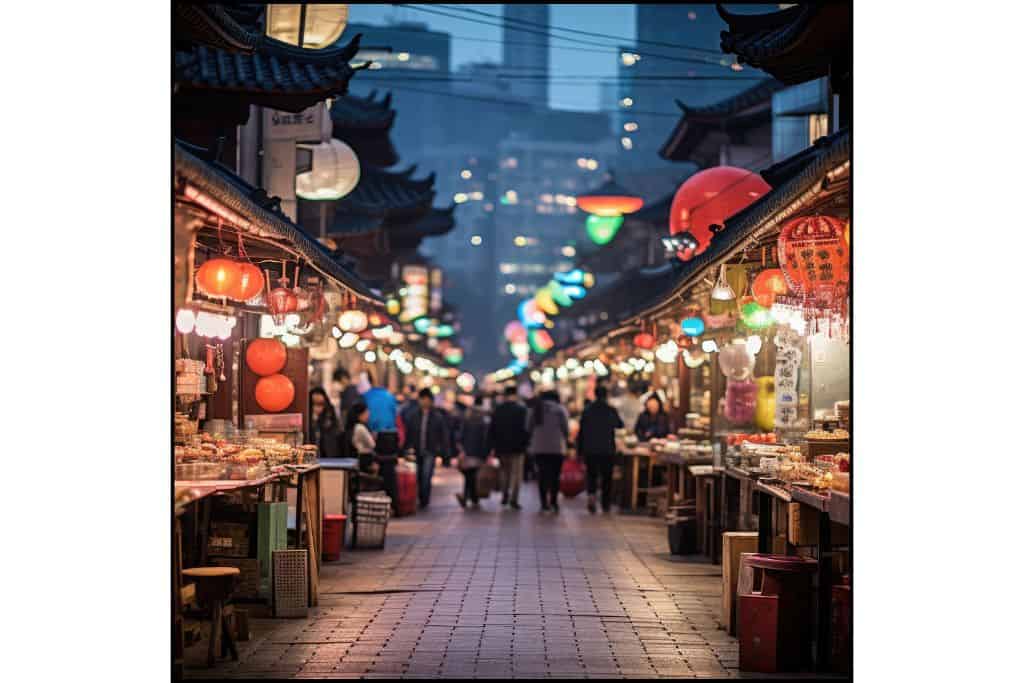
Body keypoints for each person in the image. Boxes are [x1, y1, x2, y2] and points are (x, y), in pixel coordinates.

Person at [577, 385, 623, 514]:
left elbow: (582, 432)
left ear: (595, 394)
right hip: (607, 449)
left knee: (592, 475)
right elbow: (620, 424)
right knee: (606, 477)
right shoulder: (611, 410)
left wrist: (579, 450)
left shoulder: (587, 410)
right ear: (606, 395)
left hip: (590, 448)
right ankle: (605, 504)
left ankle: (591, 497)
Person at [401, 388, 450, 509]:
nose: (424, 402)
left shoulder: (437, 416)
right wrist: (404, 449)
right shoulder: (413, 415)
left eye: (427, 399)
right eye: (422, 399)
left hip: (430, 450)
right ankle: (421, 498)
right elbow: (409, 433)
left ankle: (424, 500)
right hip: (417, 450)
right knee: (419, 475)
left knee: (427, 475)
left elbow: (443, 435)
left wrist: (445, 453)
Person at [526, 389, 570, 513]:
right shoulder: (560, 410)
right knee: (555, 476)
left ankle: (544, 503)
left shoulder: (535, 409)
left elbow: (528, 428)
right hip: (557, 448)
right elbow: (566, 429)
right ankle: (554, 502)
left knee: (542, 475)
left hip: (539, 448)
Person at [488, 385, 530, 510]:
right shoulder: (522, 410)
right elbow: (526, 430)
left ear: (505, 396)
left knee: (504, 472)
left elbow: (492, 429)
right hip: (518, 447)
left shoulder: (498, 409)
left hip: (501, 447)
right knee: (516, 474)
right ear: (515, 395)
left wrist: (492, 446)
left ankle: (505, 494)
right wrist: (525, 444)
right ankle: (514, 499)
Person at [456, 396, 491, 509]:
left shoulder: (467, 417)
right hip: (479, 452)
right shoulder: (485, 419)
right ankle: (472, 497)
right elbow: (486, 438)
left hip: (468, 452)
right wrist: (487, 453)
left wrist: (461, 450)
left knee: (469, 475)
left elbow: (460, 436)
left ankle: (468, 497)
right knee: (473, 476)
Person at [342, 402, 377, 473]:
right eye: (366, 413)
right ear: (360, 415)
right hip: (364, 461)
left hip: (356, 460)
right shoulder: (360, 428)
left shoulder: (351, 427)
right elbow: (372, 445)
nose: (368, 416)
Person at [308, 387, 342, 459]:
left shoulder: (329, 412)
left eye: (320, 404)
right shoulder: (307, 414)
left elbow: (335, 430)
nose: (317, 407)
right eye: (314, 404)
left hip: (328, 454)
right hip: (310, 453)